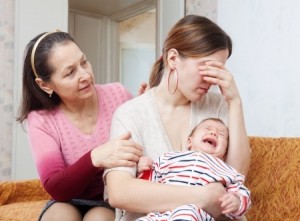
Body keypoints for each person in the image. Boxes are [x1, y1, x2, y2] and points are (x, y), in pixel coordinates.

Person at [104, 14, 251, 221]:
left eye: (218, 70)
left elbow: (236, 175)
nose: (212, 79)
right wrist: (202, 196)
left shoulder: (218, 105)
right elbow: (120, 192)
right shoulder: (131, 114)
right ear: (173, 59)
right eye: (207, 67)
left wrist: (235, 102)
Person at [16, 31, 143, 221]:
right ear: (45, 85)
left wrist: (146, 107)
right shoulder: (41, 119)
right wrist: (95, 157)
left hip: (109, 200)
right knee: (61, 217)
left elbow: (145, 143)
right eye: (70, 72)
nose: (85, 75)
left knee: (99, 218)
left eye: (84, 63)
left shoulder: (118, 94)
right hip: (66, 199)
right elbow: (56, 187)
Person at [136, 118, 252, 220]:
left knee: (188, 212)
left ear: (224, 153)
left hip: (195, 213)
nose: (214, 132)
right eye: (207, 128)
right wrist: (145, 169)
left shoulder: (226, 170)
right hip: (159, 212)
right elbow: (149, 185)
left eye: (221, 134)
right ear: (189, 141)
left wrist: (237, 202)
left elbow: (242, 191)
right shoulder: (169, 158)